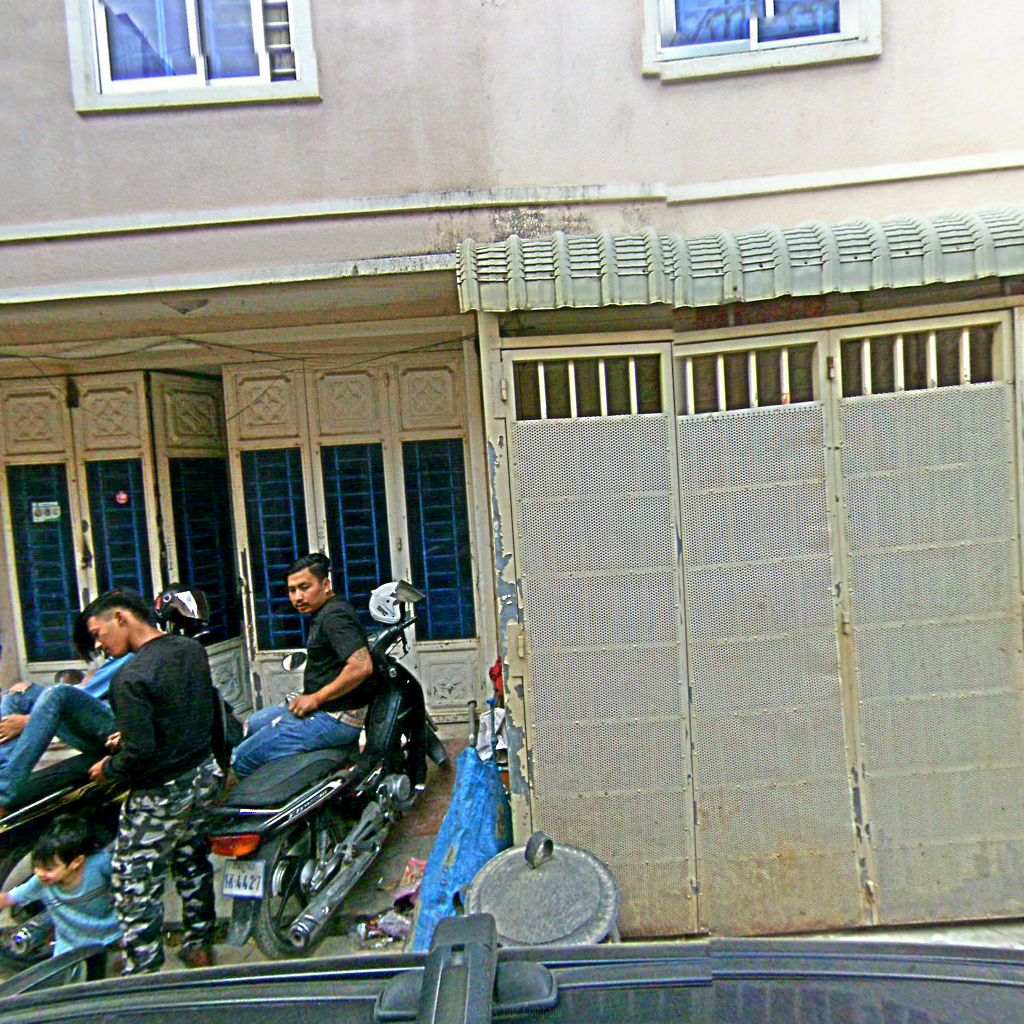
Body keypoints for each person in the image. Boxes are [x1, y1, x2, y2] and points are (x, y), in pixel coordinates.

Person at [81, 590, 222, 975]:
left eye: (98, 634)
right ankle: (199, 947)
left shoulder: (130, 678)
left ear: (121, 618)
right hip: (203, 775)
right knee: (192, 860)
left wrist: (108, 769)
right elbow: (191, 711)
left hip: (161, 793)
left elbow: (140, 753)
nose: (98, 645)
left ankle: (143, 971)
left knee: (134, 879)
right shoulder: (190, 650)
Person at [232, 553, 375, 777]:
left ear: (325, 585)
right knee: (252, 725)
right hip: (326, 707)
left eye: (304, 587)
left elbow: (361, 666)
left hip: (333, 716)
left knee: (242, 759)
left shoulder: (334, 617)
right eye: (292, 590)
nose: (297, 597)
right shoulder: (325, 612)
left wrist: (315, 698)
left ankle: (276, 797)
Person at [0, 657, 134, 817]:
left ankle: (3, 794)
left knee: (58, 693)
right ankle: (5, 773)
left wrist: (34, 718)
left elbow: (79, 696)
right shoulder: (114, 658)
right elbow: (88, 692)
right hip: (96, 720)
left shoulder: (137, 654)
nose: (99, 645)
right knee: (19, 694)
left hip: (120, 729)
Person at [0, 814, 121, 980]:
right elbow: (10, 897)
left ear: (76, 862)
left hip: (106, 940)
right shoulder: (41, 882)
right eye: (36, 866)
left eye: (49, 868)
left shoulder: (101, 866)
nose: (40, 873)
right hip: (68, 948)